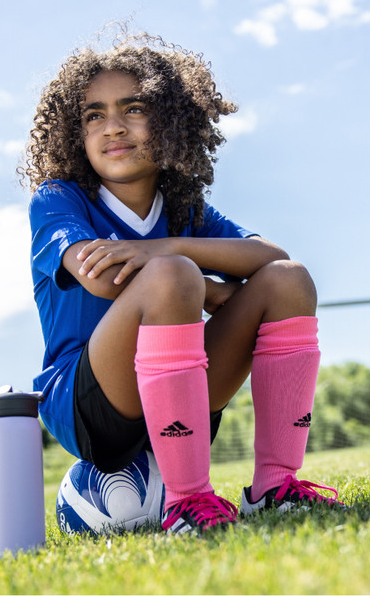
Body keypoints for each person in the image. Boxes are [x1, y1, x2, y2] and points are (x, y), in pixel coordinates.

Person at [18, 31, 345, 535]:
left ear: (169, 120)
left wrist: (165, 246)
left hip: (182, 393)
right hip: (92, 406)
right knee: (172, 278)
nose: (113, 127)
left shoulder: (184, 210)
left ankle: (277, 487)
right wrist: (207, 288)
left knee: (289, 281)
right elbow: (101, 277)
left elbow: (271, 257)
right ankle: (188, 502)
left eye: (134, 109)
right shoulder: (59, 198)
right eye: (93, 115)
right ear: (73, 134)